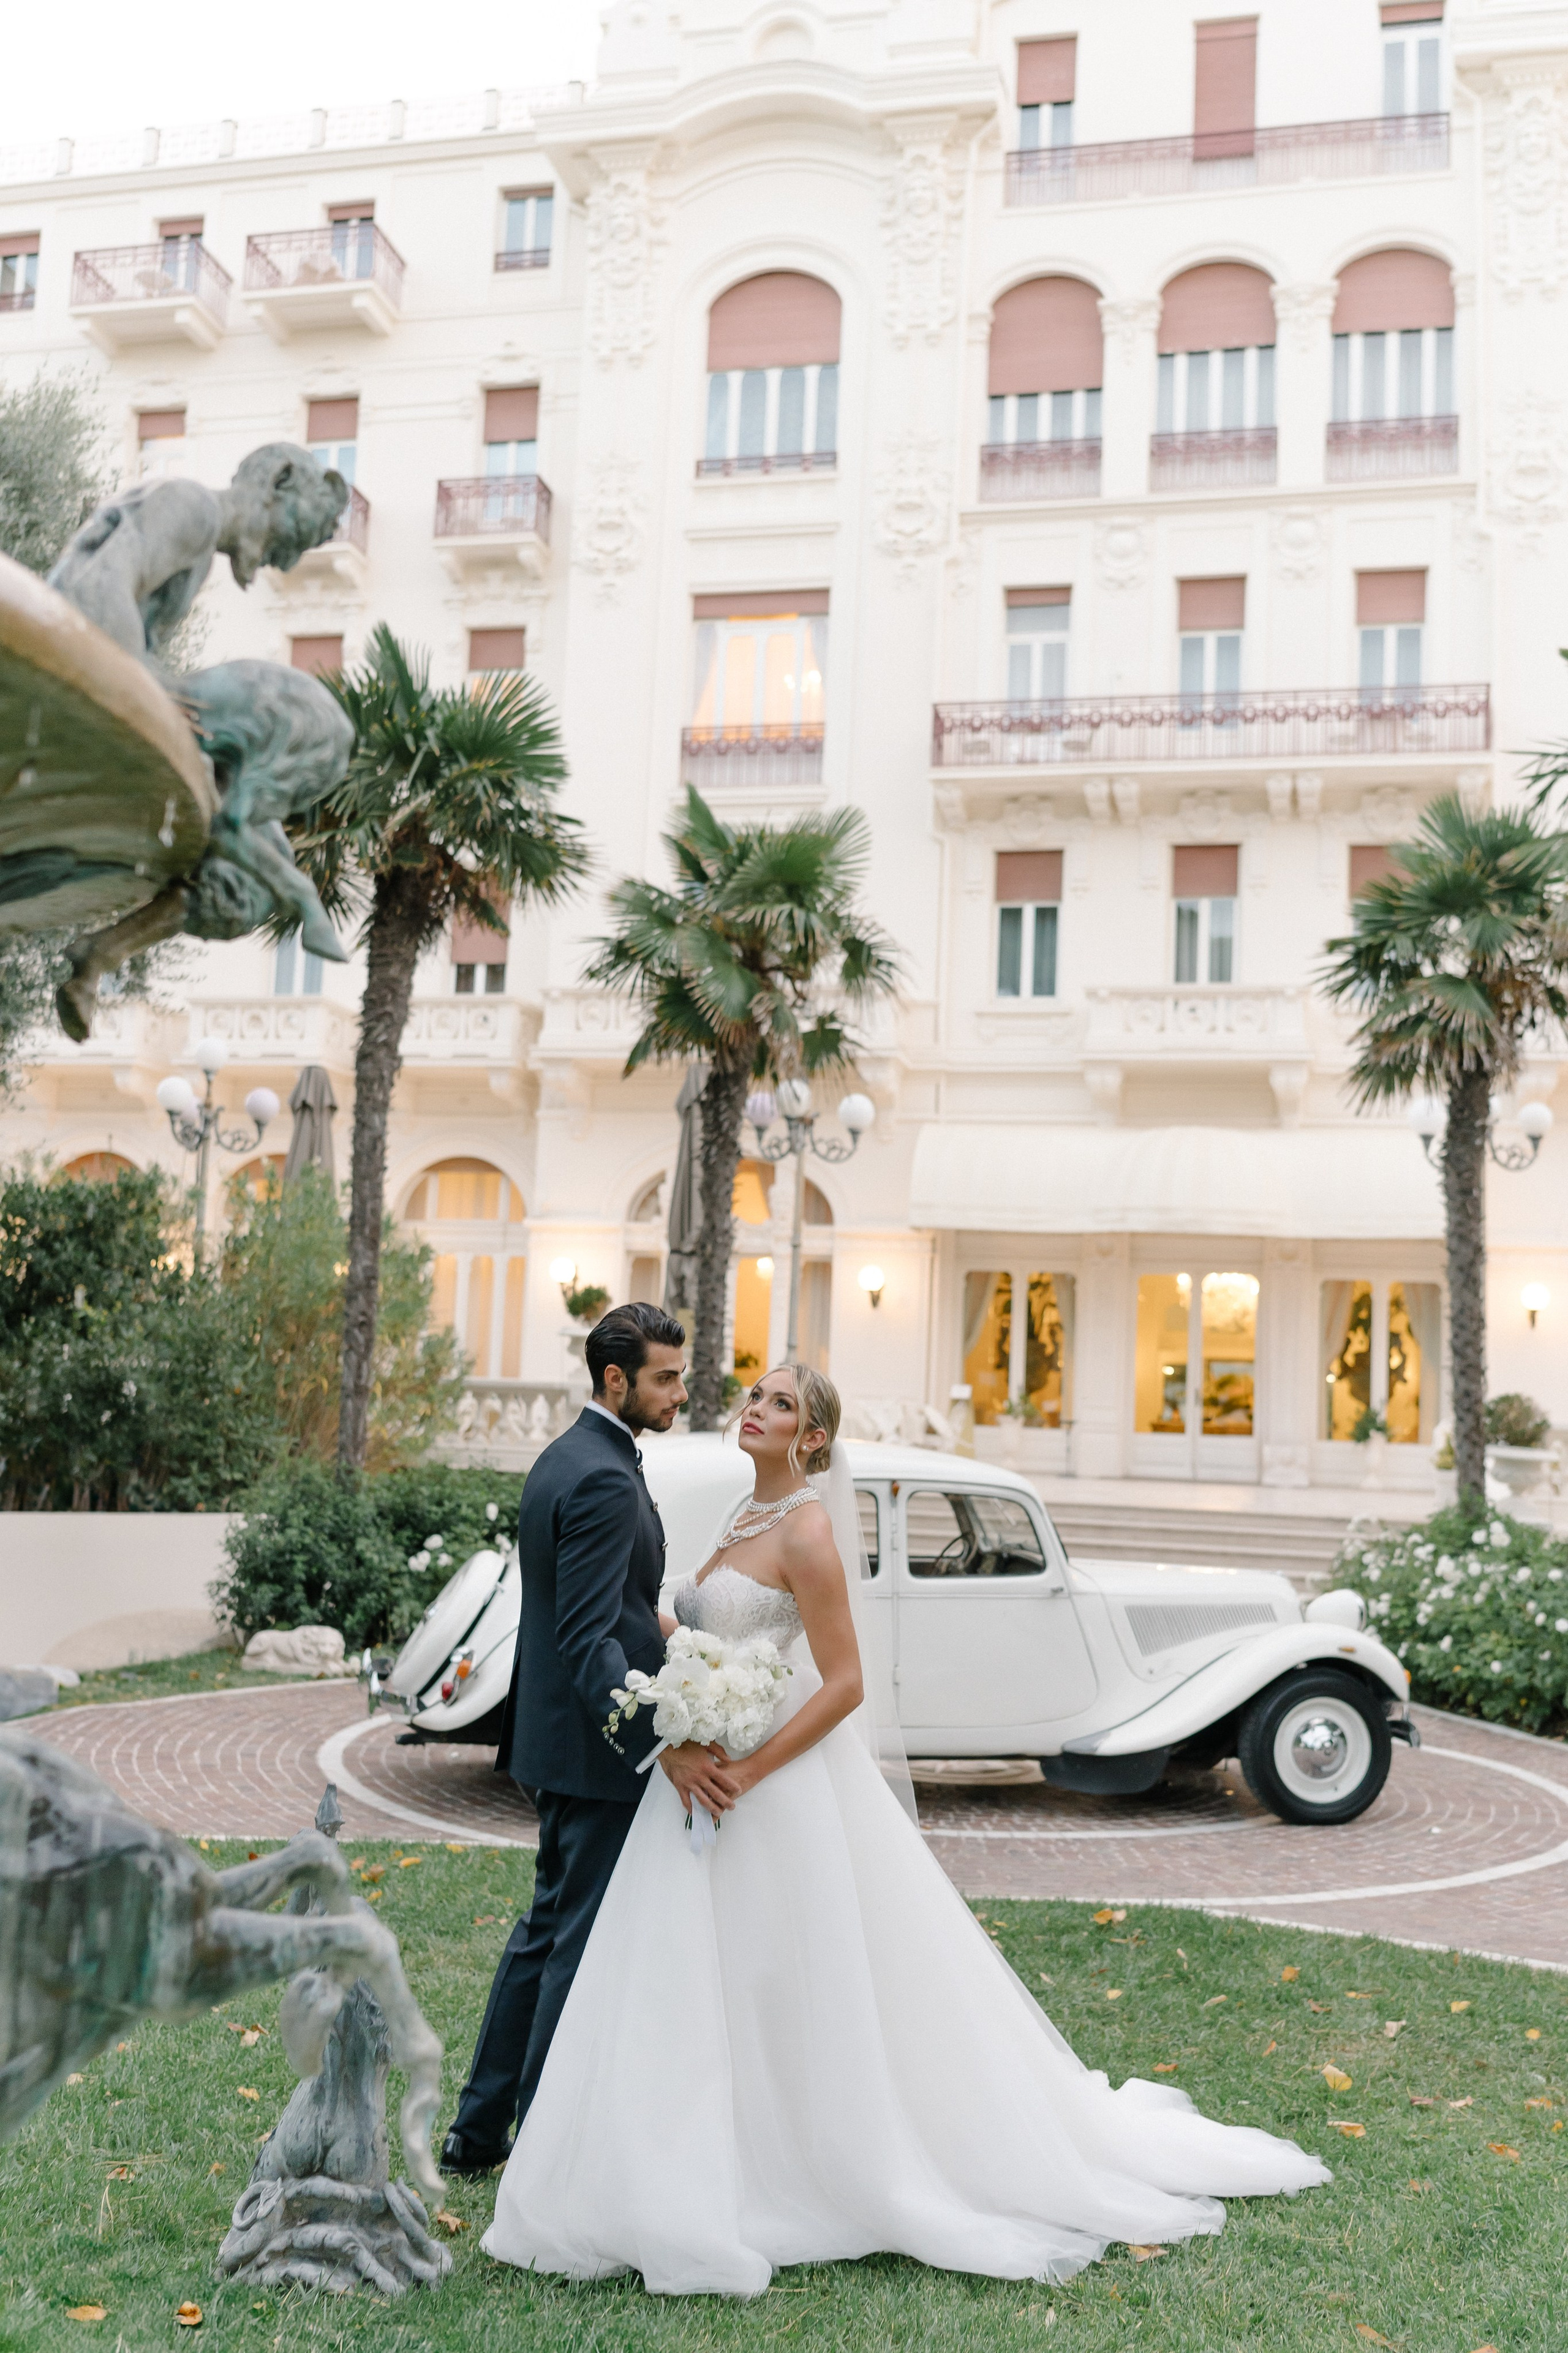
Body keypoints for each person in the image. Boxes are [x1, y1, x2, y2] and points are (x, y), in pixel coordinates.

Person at [483, 1362, 1330, 2295]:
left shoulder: (806, 1525)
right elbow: (696, 1620)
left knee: (785, 1972)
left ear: (811, 1439)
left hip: (767, 1781)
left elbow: (843, 1683)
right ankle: (683, 2154)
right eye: (756, 1395)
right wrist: (651, 1671)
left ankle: (798, 2161)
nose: (753, 1408)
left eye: (779, 1403)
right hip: (705, 1769)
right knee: (685, 1974)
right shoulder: (742, 1516)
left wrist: (753, 1769)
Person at [440, 1302, 736, 2175]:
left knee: (545, 1931)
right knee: (575, 1943)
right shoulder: (605, 1477)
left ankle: (480, 2128)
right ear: (617, 1379)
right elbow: (586, 1640)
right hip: (598, 1752)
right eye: (666, 1378)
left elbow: (610, 1608)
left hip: (557, 1742)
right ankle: (544, 2143)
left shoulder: (570, 1456)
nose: (682, 1392)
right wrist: (658, 1742)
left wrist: (684, 1643)